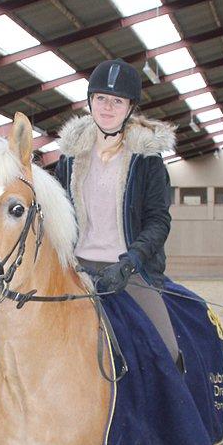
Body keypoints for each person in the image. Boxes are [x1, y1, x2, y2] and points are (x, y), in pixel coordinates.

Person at [54, 57, 182, 370]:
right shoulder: (69, 160)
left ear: (129, 107)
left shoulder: (147, 161)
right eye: (101, 99)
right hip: (75, 268)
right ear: (90, 102)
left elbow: (158, 220)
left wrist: (130, 263)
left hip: (130, 271)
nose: (107, 108)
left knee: (167, 351)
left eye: (116, 101)